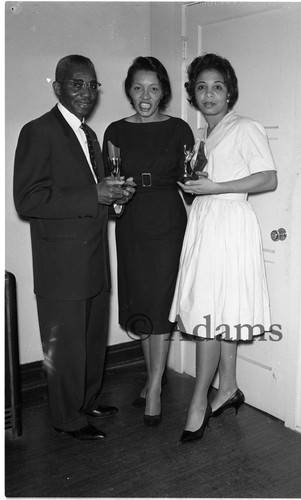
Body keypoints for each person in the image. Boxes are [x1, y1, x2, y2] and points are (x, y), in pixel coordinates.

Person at [13, 55, 135, 441]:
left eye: (91, 85)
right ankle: (66, 417)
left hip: (94, 258)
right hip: (61, 264)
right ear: (58, 88)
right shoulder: (38, 131)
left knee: (91, 339)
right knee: (65, 347)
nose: (86, 92)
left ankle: (85, 400)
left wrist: (114, 198)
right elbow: (28, 200)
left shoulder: (91, 135)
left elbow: (92, 196)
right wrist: (93, 193)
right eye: (76, 84)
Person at [169, 53, 278, 443]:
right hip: (205, 221)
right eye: (201, 87)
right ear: (192, 94)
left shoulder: (245, 127)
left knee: (209, 317)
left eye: (217, 86)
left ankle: (198, 402)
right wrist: (195, 190)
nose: (209, 94)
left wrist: (214, 188)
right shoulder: (201, 134)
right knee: (219, 309)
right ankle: (227, 387)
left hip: (229, 223)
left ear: (229, 92)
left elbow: (267, 179)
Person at [103, 56, 194, 426]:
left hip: (168, 220)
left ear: (164, 92)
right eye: (138, 87)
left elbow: (191, 182)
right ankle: (153, 376)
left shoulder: (180, 129)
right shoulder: (114, 131)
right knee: (141, 299)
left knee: (160, 301)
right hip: (132, 221)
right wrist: (117, 202)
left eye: (154, 88)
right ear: (128, 90)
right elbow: (107, 184)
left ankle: (155, 384)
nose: (146, 95)